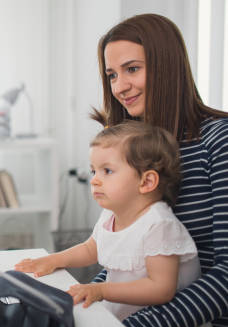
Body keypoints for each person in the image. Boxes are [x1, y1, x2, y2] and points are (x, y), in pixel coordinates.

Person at [89, 13, 228, 326]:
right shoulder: (132, 148)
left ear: (167, 67)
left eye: (132, 69)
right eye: (112, 75)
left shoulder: (219, 140)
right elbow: (124, 257)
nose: (120, 87)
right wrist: (82, 301)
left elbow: (227, 275)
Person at [15, 121, 200, 321]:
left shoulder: (160, 225)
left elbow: (161, 289)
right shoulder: (111, 214)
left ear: (146, 182)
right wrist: (53, 260)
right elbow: (91, 249)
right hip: (119, 315)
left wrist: (101, 290)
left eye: (107, 171)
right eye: (94, 170)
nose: (94, 180)